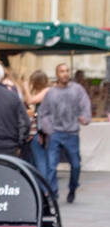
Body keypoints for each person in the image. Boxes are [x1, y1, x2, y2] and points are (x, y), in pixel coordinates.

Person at [38, 62, 92, 203]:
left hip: (72, 133)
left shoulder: (77, 89)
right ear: (57, 74)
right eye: (62, 71)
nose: (65, 73)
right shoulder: (51, 93)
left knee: (76, 165)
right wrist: (49, 130)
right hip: (55, 133)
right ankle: (52, 194)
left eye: (67, 71)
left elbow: (85, 104)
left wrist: (85, 118)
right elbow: (43, 113)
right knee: (51, 165)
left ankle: (72, 188)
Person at [22, 69, 51, 182]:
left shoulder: (47, 91)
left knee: (40, 161)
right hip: (41, 131)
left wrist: (25, 87)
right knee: (38, 160)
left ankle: (44, 189)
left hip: (41, 132)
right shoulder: (46, 91)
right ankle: (40, 186)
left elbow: (30, 100)